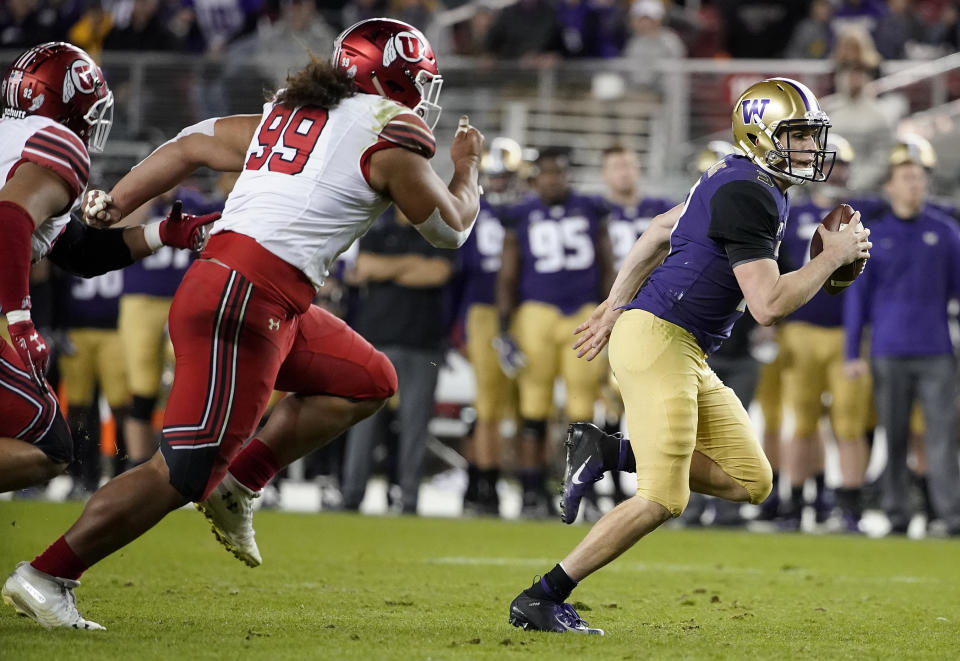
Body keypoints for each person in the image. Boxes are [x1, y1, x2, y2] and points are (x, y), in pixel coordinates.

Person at [2, 19, 483, 630]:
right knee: (178, 473)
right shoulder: (390, 131)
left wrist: (117, 202)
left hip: (259, 294)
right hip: (246, 300)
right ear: (393, 80)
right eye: (418, 81)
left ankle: (242, 484)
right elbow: (449, 229)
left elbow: (192, 141)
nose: (425, 95)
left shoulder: (293, 114)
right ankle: (48, 574)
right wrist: (468, 169)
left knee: (367, 380)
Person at [509, 78, 871, 634]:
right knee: (663, 497)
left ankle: (611, 451)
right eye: (795, 136)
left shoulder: (741, 177)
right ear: (760, 135)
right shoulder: (748, 191)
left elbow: (658, 230)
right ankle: (542, 596)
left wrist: (612, 305)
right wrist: (831, 260)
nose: (807, 149)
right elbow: (768, 305)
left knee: (750, 480)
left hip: (681, 344)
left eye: (808, 136)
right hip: (660, 338)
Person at [0, 41, 213, 497]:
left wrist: (161, 235)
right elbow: (10, 219)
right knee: (48, 446)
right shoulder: (58, 144)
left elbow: (79, 252)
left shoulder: (13, 142)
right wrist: (20, 322)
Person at [844, 136, 960, 537]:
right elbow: (857, 298)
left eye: (919, 177)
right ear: (890, 185)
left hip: (936, 352)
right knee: (892, 436)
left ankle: (950, 516)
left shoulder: (946, 233)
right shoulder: (874, 235)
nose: (914, 184)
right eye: (906, 177)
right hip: (888, 351)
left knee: (942, 438)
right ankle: (896, 513)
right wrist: (851, 352)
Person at [495, 147, 614, 518]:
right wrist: (503, 324)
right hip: (535, 314)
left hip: (582, 313)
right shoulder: (520, 215)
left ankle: (582, 488)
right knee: (533, 407)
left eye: (559, 172)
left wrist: (611, 311)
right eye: (546, 173)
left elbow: (609, 266)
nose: (553, 179)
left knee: (583, 408)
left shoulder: (592, 209)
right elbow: (508, 271)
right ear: (534, 179)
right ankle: (531, 489)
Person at [776, 135, 873, 533]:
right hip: (799, 329)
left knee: (848, 425)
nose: (839, 173)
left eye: (845, 166)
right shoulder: (791, 214)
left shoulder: (862, 218)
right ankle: (796, 504)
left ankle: (850, 509)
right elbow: (773, 274)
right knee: (801, 423)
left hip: (845, 335)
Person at [340, 207, 456, 514]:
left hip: (422, 344)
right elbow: (365, 266)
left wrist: (388, 269)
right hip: (375, 342)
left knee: (415, 427)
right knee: (362, 424)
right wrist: (412, 265)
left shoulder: (439, 236)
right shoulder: (378, 232)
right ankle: (352, 495)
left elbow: (438, 273)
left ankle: (409, 499)